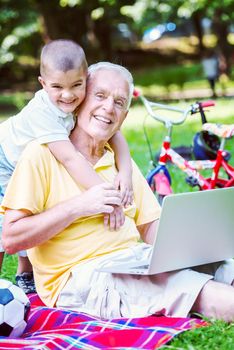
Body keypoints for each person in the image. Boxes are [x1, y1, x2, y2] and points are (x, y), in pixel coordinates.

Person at [2, 62, 234, 322]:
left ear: (123, 117)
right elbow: (11, 238)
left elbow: (149, 226)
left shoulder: (121, 163)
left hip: (135, 260)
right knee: (194, 288)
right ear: (79, 101)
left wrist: (191, 246)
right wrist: (80, 206)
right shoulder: (41, 154)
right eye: (99, 96)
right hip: (81, 277)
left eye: (119, 102)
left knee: (227, 266)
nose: (108, 107)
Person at [0, 41, 133, 293]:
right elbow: (70, 158)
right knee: (11, 221)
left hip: (25, 160)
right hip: (4, 161)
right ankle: (13, 280)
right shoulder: (43, 113)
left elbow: (117, 135)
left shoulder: (77, 101)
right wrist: (108, 197)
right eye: (57, 87)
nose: (68, 95)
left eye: (76, 85)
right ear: (42, 84)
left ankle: (25, 274)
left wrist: (125, 172)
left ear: (87, 79)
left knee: (39, 206)